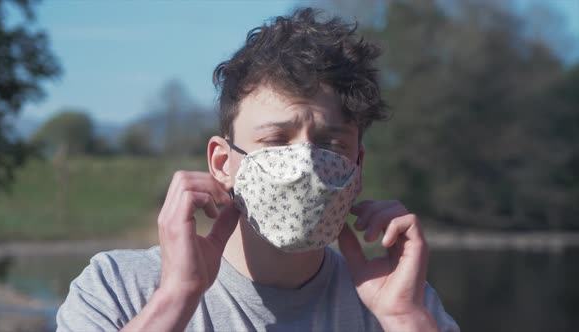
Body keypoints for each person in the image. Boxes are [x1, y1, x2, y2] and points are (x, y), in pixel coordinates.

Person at [56, 7, 459, 332]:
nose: (305, 165)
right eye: (276, 140)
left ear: (358, 166)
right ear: (221, 162)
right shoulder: (118, 289)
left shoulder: (403, 302)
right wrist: (175, 298)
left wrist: (405, 320)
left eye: (331, 144)